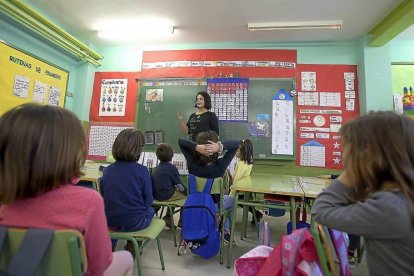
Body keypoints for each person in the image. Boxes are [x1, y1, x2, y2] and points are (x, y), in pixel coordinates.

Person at [0, 104, 133, 276]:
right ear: (70, 155)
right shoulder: (89, 201)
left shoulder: (5, 204)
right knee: (127, 258)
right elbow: (100, 264)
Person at [311, 111, 414, 275]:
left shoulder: (389, 206)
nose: (343, 156)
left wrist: (352, 171)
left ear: (370, 155)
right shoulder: (402, 197)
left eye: (348, 149)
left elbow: (322, 210)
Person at [100, 128, 155, 258]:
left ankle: (110, 248)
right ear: (138, 150)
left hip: (110, 221)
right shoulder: (142, 170)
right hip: (135, 223)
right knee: (151, 211)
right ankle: (132, 245)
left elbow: (105, 197)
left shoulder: (107, 170)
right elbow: (148, 201)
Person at [178, 130, 239, 243]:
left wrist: (196, 147)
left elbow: (181, 142)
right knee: (232, 200)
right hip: (214, 206)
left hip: (194, 204)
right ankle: (225, 231)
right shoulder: (221, 165)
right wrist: (220, 147)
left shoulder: (192, 163)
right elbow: (237, 143)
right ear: (216, 151)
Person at [152, 143, 187, 228]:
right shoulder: (172, 168)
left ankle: (168, 217)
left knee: (173, 191)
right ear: (172, 155)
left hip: (156, 196)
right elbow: (179, 185)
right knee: (186, 198)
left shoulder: (156, 168)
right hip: (166, 196)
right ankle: (181, 221)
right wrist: (187, 192)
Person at [228, 139, 262, 224]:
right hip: (246, 189)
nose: (236, 151)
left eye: (238, 149)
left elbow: (235, 183)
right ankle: (257, 214)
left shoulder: (241, 164)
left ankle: (225, 222)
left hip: (239, 191)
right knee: (245, 202)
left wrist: (230, 195)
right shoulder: (249, 162)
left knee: (231, 200)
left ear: (243, 151)